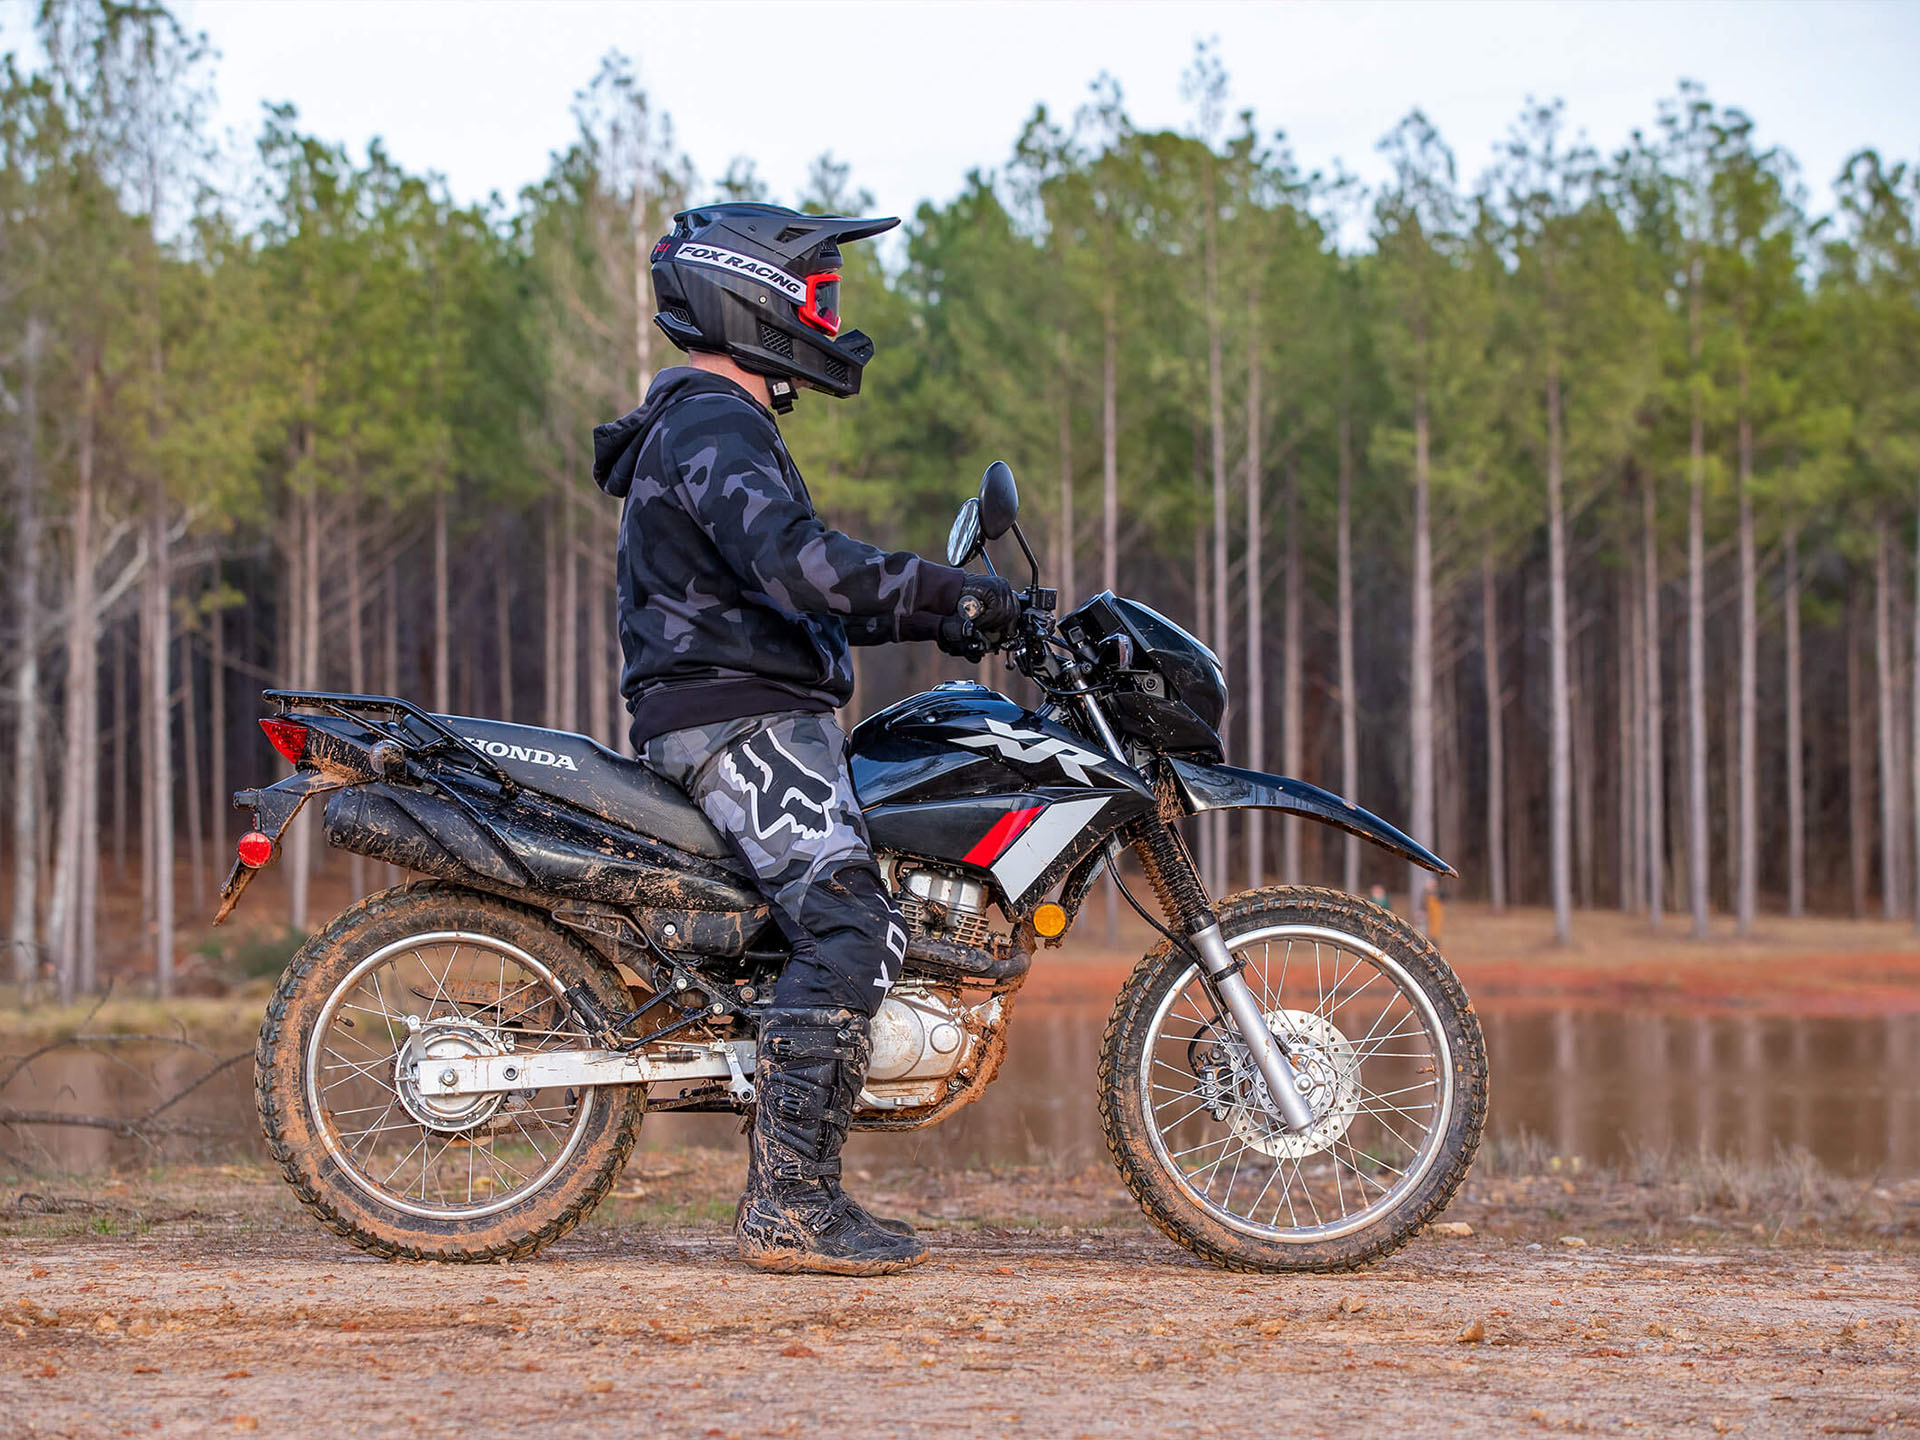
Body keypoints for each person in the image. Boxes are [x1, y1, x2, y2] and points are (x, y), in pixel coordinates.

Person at [591, 203, 1017, 1276]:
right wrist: (952, 593)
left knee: (838, 907)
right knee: (846, 917)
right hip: (736, 719)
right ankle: (790, 1205)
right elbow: (802, 567)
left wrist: (944, 609)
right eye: (819, 298)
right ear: (754, 302)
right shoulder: (710, 424)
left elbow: (797, 586)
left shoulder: (710, 423)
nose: (832, 320)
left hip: (743, 710)